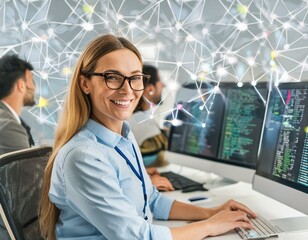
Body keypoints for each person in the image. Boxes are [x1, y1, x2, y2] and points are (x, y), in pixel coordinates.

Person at [39, 34, 256, 240]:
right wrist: (210, 227)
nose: (128, 90)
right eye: (112, 77)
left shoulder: (124, 136)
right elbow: (136, 236)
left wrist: (211, 213)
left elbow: (151, 200)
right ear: (85, 83)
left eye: (135, 78)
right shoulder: (83, 156)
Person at [129, 64, 174, 191]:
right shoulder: (146, 128)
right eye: (160, 81)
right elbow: (165, 160)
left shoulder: (135, 119)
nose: (164, 85)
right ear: (150, 88)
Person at [0, 54, 35, 155]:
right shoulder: (8, 126)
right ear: (21, 85)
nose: (33, 87)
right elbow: (30, 169)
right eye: (31, 79)